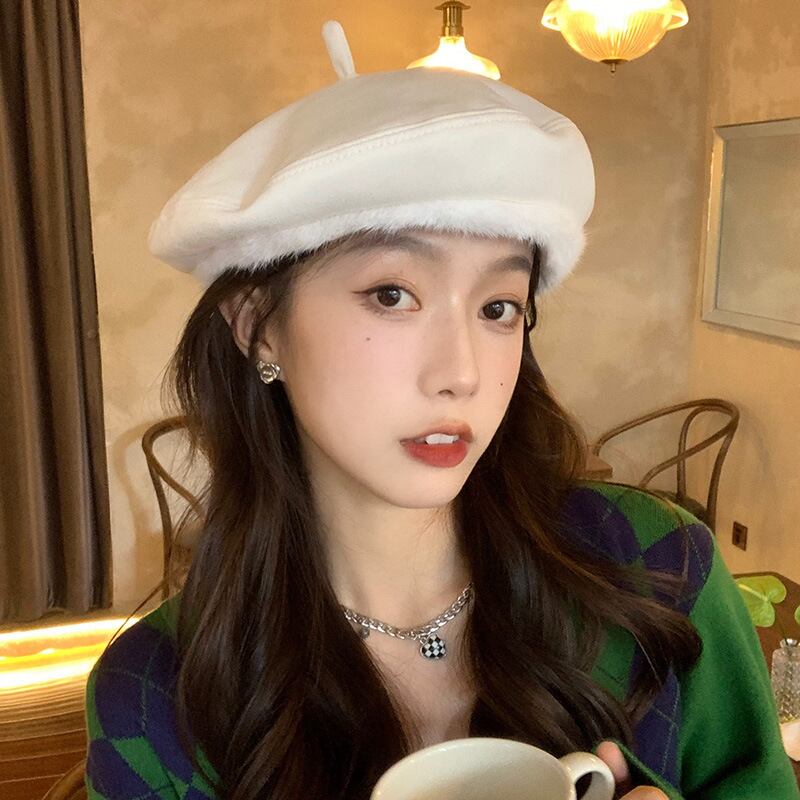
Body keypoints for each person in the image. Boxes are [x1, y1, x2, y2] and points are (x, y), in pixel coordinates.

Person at [83, 19, 798, 800]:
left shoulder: (659, 568)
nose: (461, 374)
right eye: (393, 295)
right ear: (258, 324)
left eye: (498, 306)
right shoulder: (152, 700)